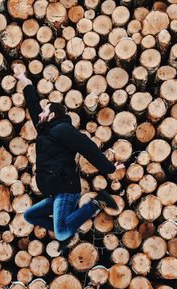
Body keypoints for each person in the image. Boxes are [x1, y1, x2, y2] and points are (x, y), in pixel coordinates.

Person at [12, 62, 125, 249]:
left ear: (52, 115)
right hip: (55, 191)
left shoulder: (63, 129)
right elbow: (32, 105)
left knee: (61, 233)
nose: (41, 113)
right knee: (29, 215)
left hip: (66, 189)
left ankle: (97, 202)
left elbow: (87, 147)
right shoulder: (45, 130)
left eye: (45, 110)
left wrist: (110, 168)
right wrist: (23, 79)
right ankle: (69, 228)